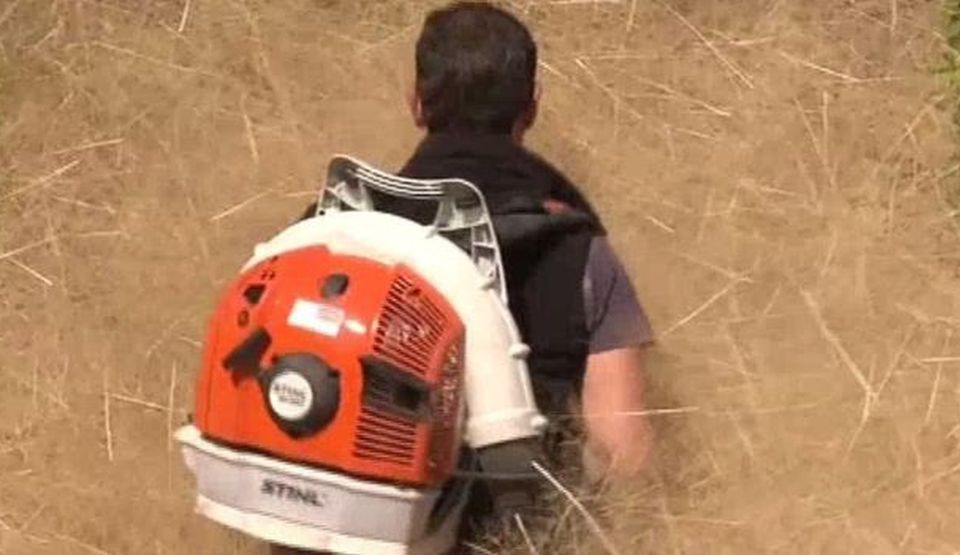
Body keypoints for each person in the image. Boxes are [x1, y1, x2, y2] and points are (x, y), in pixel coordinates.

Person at [294, 1, 655, 549]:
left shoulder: (327, 231)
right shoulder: (577, 251)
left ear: (417, 103)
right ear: (531, 107)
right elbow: (623, 453)